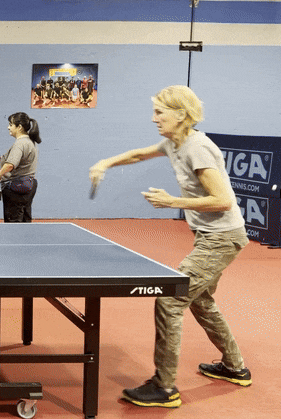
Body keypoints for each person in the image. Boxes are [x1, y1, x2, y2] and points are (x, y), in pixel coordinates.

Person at [89, 85, 251, 408]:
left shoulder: (197, 148)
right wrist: (105, 162)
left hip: (222, 238)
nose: (154, 118)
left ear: (181, 115)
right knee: (201, 301)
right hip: (210, 236)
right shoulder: (173, 143)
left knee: (170, 297)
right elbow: (139, 154)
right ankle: (235, 367)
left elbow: (223, 200)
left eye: (159, 112)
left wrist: (172, 202)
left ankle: (164, 387)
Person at [0, 112, 41, 222]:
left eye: (11, 125)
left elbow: (10, 165)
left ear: (19, 127)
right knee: (25, 219)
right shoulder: (31, 141)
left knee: (13, 222)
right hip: (29, 185)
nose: (8, 127)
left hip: (16, 188)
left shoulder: (20, 144)